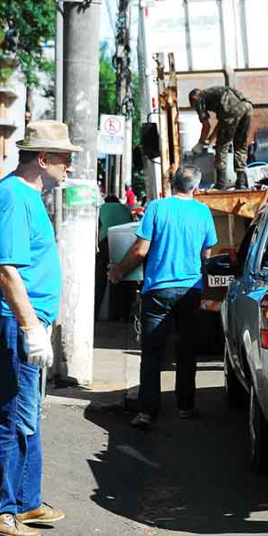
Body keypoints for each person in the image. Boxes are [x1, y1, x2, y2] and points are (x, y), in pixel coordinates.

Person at [0, 120, 79, 536]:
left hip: (22, 320)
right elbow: (6, 270)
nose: (68, 168)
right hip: (12, 321)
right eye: (65, 159)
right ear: (44, 159)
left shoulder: (25, 195)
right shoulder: (16, 197)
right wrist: (32, 326)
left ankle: (25, 500)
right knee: (15, 415)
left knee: (27, 413)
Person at [108, 165, 217, 429]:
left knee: (152, 352)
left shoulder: (157, 208)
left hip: (158, 290)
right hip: (190, 290)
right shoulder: (203, 211)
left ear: (172, 183)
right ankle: (186, 406)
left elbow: (141, 249)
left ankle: (146, 411)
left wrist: (118, 271)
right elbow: (207, 254)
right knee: (186, 349)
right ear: (197, 188)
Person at [189, 86, 253, 190]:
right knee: (240, 145)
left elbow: (206, 125)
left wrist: (200, 143)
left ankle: (221, 184)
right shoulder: (213, 93)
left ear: (193, 98)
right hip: (247, 107)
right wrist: (210, 139)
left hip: (232, 111)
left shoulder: (199, 99)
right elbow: (222, 124)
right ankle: (241, 183)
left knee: (221, 147)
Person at [95, 195, 133, 321]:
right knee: (121, 277)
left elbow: (97, 227)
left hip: (105, 242)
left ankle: (95, 313)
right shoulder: (125, 208)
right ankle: (122, 314)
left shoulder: (101, 208)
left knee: (100, 278)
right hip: (125, 241)